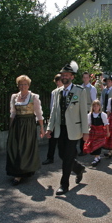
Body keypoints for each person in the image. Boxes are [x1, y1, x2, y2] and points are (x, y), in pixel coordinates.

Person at [45, 61, 89, 195]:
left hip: (74, 130)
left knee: (68, 156)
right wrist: (49, 128)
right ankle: (78, 168)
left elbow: (83, 112)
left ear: (72, 77)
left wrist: (85, 131)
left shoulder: (80, 91)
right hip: (60, 129)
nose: (64, 77)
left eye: (67, 75)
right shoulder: (57, 92)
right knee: (62, 155)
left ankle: (64, 184)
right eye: (62, 75)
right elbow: (54, 112)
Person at [6, 75, 45, 185]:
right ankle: (17, 171)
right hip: (17, 124)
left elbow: (38, 114)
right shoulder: (14, 97)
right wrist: (11, 126)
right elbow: (13, 112)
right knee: (15, 148)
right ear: (18, 85)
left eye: (25, 84)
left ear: (28, 85)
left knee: (26, 148)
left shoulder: (33, 97)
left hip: (28, 125)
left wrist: (42, 128)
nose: (23, 86)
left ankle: (22, 173)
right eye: (21, 84)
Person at [42, 74, 63, 165]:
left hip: (64, 119)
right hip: (55, 118)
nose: (58, 82)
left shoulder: (68, 91)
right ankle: (50, 157)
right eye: (56, 81)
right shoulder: (54, 92)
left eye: (59, 80)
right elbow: (52, 106)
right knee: (52, 139)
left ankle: (71, 157)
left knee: (65, 139)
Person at [83, 100, 110, 167]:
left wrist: (108, 132)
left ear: (100, 107)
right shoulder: (90, 115)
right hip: (93, 132)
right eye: (94, 106)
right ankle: (97, 157)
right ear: (92, 107)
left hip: (100, 132)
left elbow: (106, 124)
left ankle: (96, 158)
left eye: (97, 106)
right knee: (93, 144)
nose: (95, 107)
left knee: (98, 145)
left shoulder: (103, 114)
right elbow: (88, 124)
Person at [79, 71, 97, 155]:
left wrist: (93, 112)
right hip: (80, 110)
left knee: (88, 130)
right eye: (84, 77)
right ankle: (82, 148)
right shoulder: (80, 87)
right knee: (81, 129)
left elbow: (94, 101)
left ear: (89, 78)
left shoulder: (92, 88)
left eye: (87, 77)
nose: (85, 79)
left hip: (88, 110)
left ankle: (89, 148)